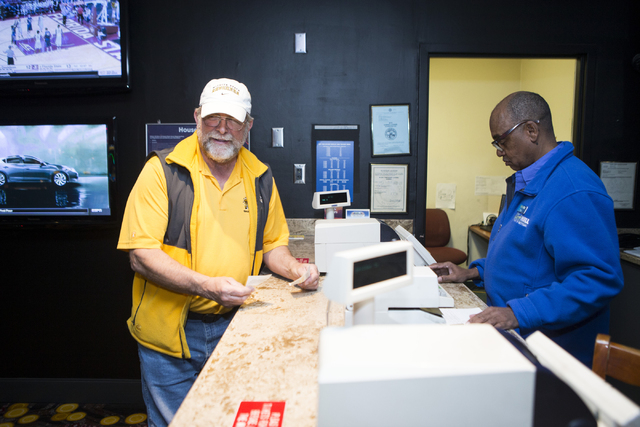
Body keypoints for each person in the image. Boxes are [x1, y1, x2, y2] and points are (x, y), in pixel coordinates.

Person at [118, 78, 320, 427]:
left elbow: (273, 245)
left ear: (249, 126)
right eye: (213, 118)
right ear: (197, 117)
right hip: (171, 338)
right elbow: (141, 255)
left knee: (231, 419)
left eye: (233, 120)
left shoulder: (260, 176)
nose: (222, 130)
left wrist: (295, 269)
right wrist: (205, 286)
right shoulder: (161, 171)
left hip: (237, 328)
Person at [430, 91, 623, 366]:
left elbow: (598, 279)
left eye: (502, 140)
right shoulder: (527, 180)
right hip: (511, 332)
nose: (498, 151)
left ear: (531, 130)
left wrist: (518, 312)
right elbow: (523, 253)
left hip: (549, 348)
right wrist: (472, 272)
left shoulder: (574, 189)